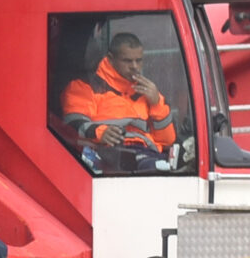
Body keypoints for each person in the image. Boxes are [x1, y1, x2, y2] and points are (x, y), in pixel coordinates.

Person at [59, 31, 176, 170]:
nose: (135, 66)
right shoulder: (85, 86)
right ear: (110, 59)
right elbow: (71, 126)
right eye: (127, 61)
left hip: (145, 154)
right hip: (104, 157)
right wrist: (100, 133)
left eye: (139, 60)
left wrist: (156, 105)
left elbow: (167, 141)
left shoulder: (149, 92)